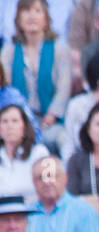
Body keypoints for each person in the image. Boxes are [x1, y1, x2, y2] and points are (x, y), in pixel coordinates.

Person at [1, 0, 71, 153]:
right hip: (17, 122)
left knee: (62, 139)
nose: (31, 16)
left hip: (49, 121)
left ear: (46, 19)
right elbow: (5, 88)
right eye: (26, 11)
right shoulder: (9, 50)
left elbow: (64, 88)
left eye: (37, 11)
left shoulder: (59, 48)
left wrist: (50, 117)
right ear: (18, 19)